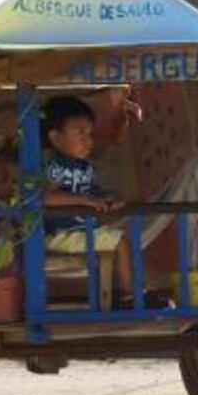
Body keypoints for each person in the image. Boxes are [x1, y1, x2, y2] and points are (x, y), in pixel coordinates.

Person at [41, 96, 135, 303]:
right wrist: (87, 201)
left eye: (89, 134)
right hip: (59, 235)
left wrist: (106, 198)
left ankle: (120, 296)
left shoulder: (85, 167)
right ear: (56, 138)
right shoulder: (54, 165)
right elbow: (45, 197)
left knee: (119, 240)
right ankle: (134, 297)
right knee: (121, 242)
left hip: (80, 232)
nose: (88, 140)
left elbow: (93, 194)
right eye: (79, 133)